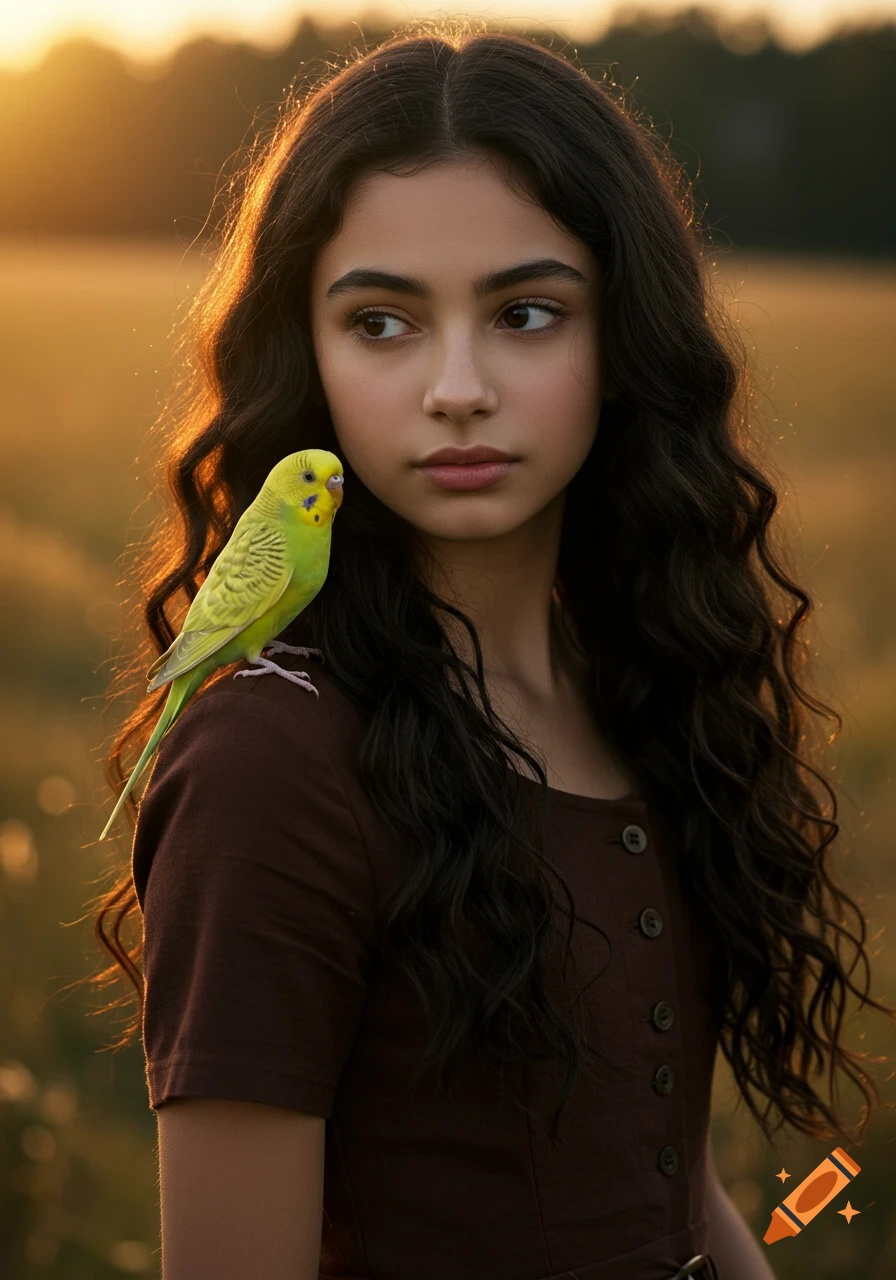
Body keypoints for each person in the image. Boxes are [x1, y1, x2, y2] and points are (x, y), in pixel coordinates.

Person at [89, 20, 891, 1280]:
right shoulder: (272, 757)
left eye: (524, 312)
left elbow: (662, 1181)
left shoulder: (633, 680)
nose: (456, 386)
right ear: (311, 357)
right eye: (383, 323)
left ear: (619, 338)